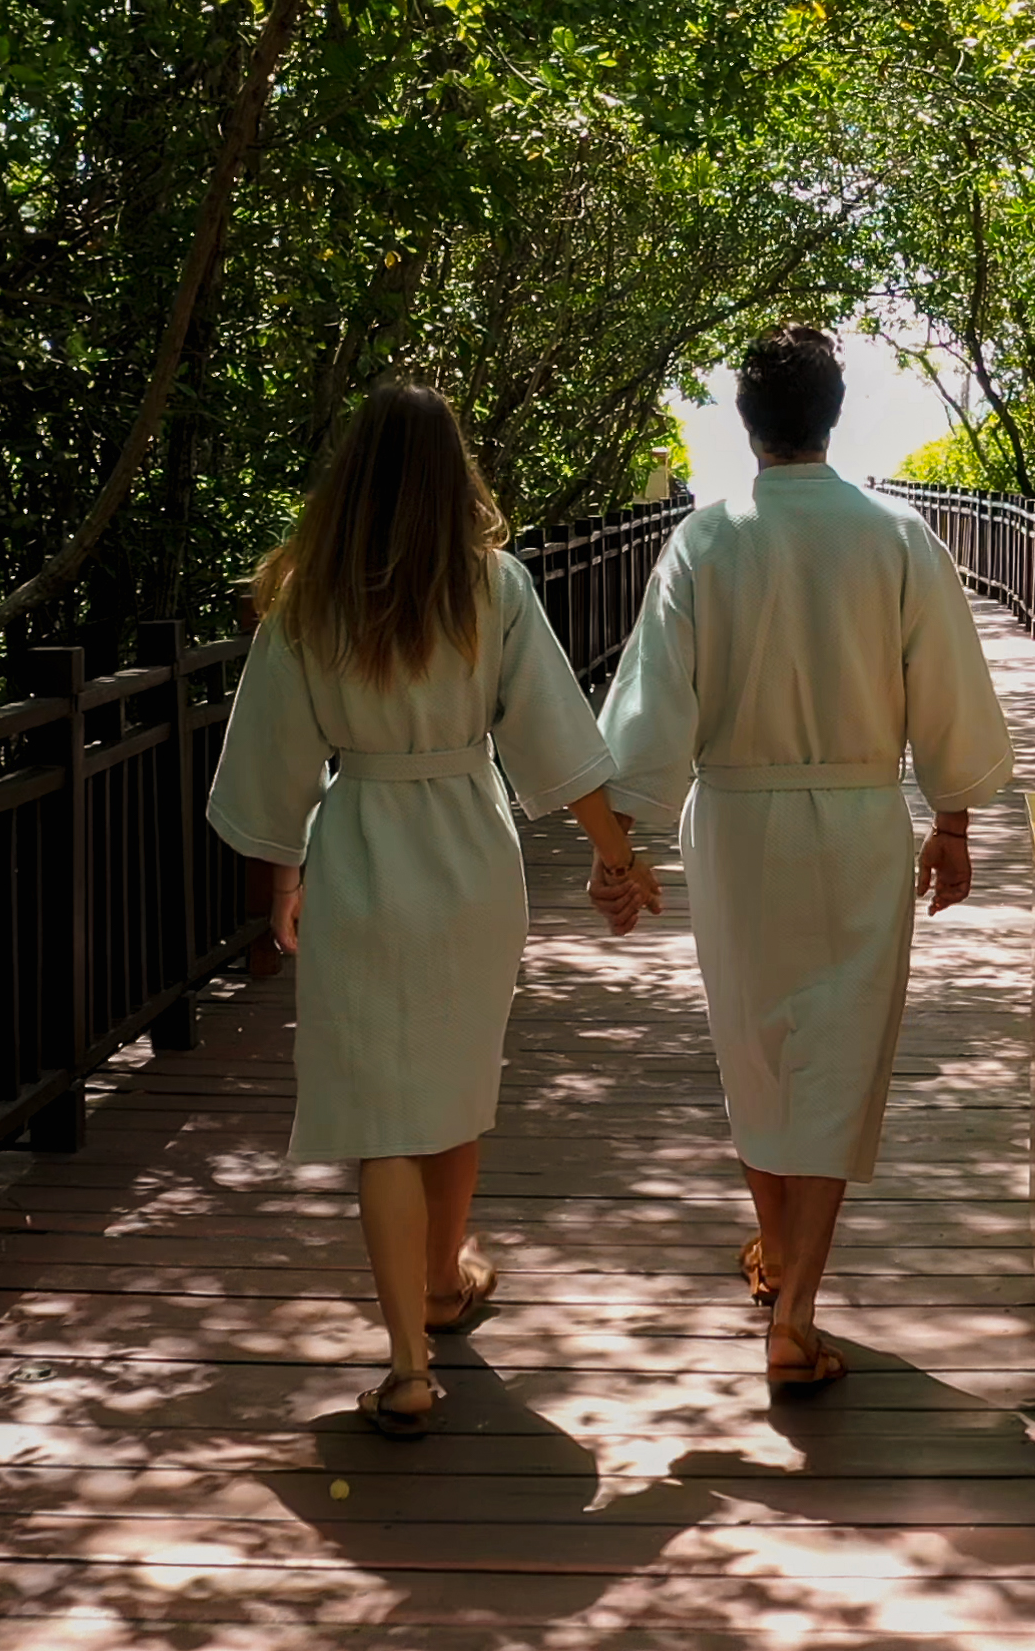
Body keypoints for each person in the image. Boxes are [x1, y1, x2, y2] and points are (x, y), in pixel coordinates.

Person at [205, 384, 649, 1437]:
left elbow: (273, 762)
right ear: (456, 475)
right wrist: (617, 854)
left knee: (381, 1117)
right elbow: (553, 732)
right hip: (469, 851)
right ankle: (445, 1281)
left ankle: (410, 1359)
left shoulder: (309, 600)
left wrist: (284, 880)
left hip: (361, 847)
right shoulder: (491, 585)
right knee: (456, 1079)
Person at [593, 326, 1015, 1388]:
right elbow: (949, 694)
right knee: (839, 1057)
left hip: (736, 822)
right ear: (834, 416)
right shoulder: (897, 535)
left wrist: (621, 844)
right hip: (859, 819)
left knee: (754, 1049)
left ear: (747, 425)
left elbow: (652, 707)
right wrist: (953, 823)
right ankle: (797, 1306)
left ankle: (779, 1257)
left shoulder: (706, 539)